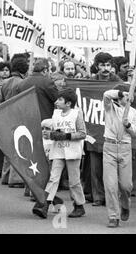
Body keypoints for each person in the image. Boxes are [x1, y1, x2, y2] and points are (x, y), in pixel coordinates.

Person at [32, 88, 87, 219]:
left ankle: (79, 205)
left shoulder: (76, 114)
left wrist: (65, 135)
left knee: (74, 181)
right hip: (58, 150)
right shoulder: (56, 114)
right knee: (53, 178)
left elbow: (82, 133)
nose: (56, 102)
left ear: (68, 103)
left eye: (60, 99)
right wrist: (50, 134)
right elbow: (56, 130)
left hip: (72, 151)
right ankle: (44, 204)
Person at [88, 52, 122, 207]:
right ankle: (98, 197)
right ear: (97, 66)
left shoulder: (118, 83)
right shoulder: (89, 82)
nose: (105, 68)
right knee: (95, 168)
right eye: (102, 65)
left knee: (112, 168)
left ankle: (112, 197)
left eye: (108, 65)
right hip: (94, 129)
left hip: (112, 130)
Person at [102, 85, 136, 228]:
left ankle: (125, 204)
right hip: (109, 147)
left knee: (126, 185)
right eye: (126, 96)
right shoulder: (110, 107)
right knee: (110, 185)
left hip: (125, 148)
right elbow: (106, 94)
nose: (129, 98)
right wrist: (119, 93)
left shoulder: (133, 111)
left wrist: (128, 125)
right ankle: (113, 216)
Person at [0, 56, 28, 188]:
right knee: (18, 147)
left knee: (8, 147)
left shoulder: (5, 82)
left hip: (6, 116)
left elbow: (1, 101)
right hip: (18, 116)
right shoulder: (22, 83)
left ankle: (5, 176)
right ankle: (15, 179)